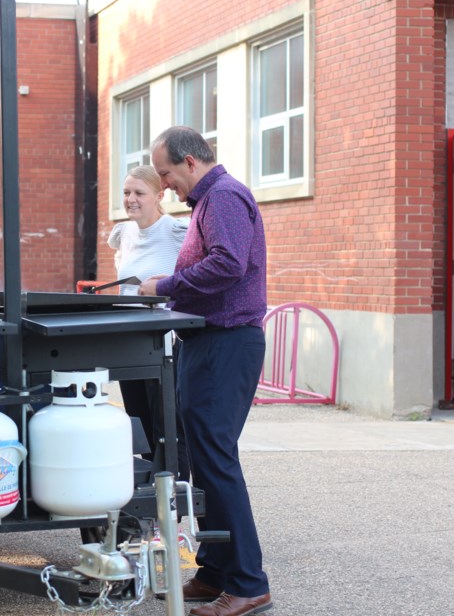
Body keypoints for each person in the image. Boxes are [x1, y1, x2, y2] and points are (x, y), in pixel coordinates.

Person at [139, 126, 272, 616]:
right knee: (206, 458)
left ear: (190, 162)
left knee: (216, 460)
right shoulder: (209, 202)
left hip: (226, 342)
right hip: (209, 343)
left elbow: (229, 264)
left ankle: (248, 583)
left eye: (167, 173)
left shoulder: (225, 197)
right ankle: (216, 570)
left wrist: (164, 285)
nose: (165, 183)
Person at [107, 165, 188, 462]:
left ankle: (174, 492)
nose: (131, 199)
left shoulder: (177, 231)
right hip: (128, 340)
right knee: (137, 420)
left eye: (139, 193)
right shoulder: (124, 233)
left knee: (166, 424)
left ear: (158, 195)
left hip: (163, 342)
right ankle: (148, 493)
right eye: (127, 192)